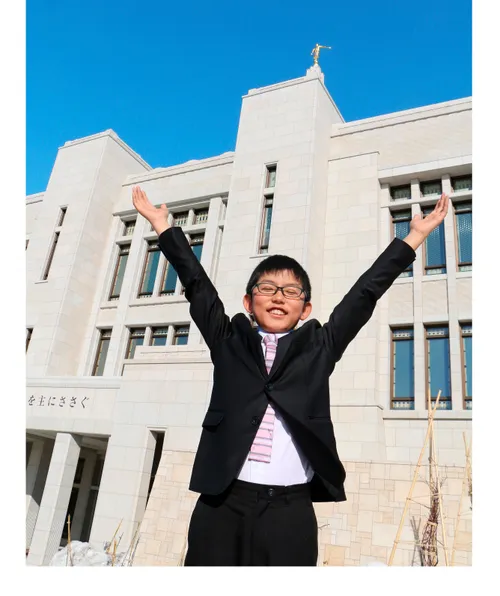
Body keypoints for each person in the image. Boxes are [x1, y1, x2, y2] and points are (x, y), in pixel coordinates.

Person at [132, 185, 449, 566]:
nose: (279, 296)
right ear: (249, 302)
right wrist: (162, 226)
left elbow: (364, 295)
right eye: (267, 288)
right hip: (222, 503)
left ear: (305, 307)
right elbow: (196, 284)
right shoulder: (227, 339)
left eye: (291, 291)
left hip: (290, 509)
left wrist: (413, 237)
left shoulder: (320, 347)